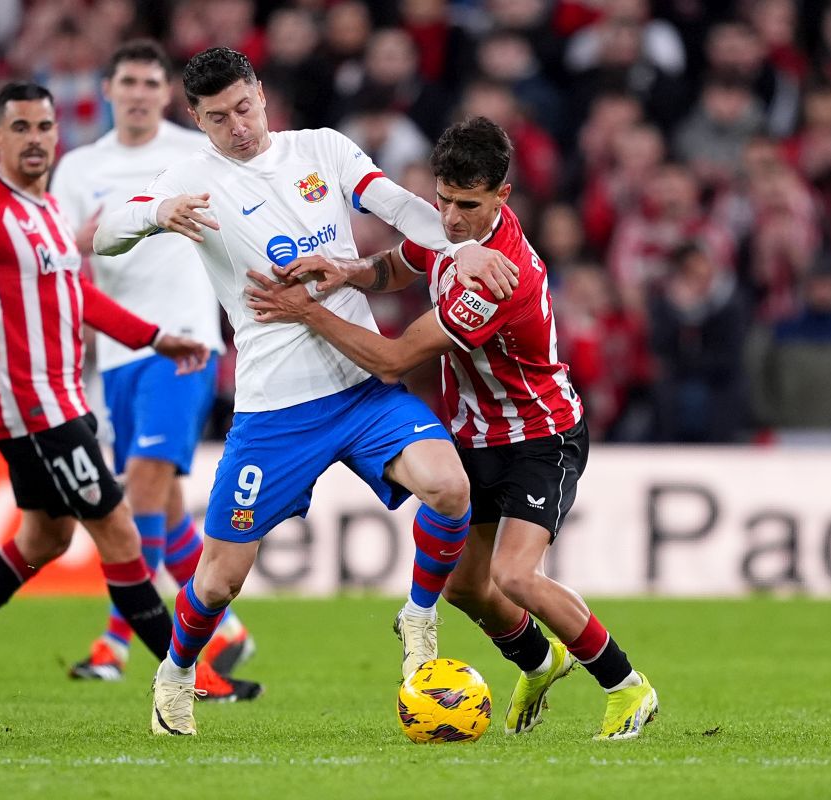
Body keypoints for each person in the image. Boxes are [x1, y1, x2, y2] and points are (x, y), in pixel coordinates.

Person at [95, 47, 520, 736]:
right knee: (218, 582)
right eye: (217, 117)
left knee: (450, 488)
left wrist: (457, 248)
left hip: (362, 388)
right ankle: (175, 672)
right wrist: (159, 212)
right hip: (275, 412)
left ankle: (417, 617)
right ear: (197, 120)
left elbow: (398, 205)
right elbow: (106, 236)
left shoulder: (321, 149)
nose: (237, 125)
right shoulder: (191, 177)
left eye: (244, 106)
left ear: (261, 94)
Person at [245, 117, 659, 741]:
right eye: (442, 200)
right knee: (465, 586)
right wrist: (345, 272)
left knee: (514, 576)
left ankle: (628, 687)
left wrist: (307, 313)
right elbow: (399, 266)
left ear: (503, 197)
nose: (452, 218)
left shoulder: (500, 275)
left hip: (539, 435)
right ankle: (541, 664)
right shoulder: (448, 237)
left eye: (468, 205)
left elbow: (393, 359)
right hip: (477, 435)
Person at [0, 81, 224, 701]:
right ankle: (191, 674)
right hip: (29, 406)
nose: (34, 140)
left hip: (60, 398)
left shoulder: (47, 211)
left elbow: (78, 296)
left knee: (45, 537)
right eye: (20, 128)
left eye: (44, 128)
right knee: (120, 532)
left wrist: (155, 338)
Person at [49, 39, 257, 694]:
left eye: (150, 82)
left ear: (168, 95)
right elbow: (58, 252)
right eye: (127, 81)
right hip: (116, 351)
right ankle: (226, 631)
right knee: (162, 508)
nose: (138, 92)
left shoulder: (192, 155)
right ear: (106, 89)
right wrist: (106, 231)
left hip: (185, 341)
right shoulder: (79, 168)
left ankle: (116, 643)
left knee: (138, 487)